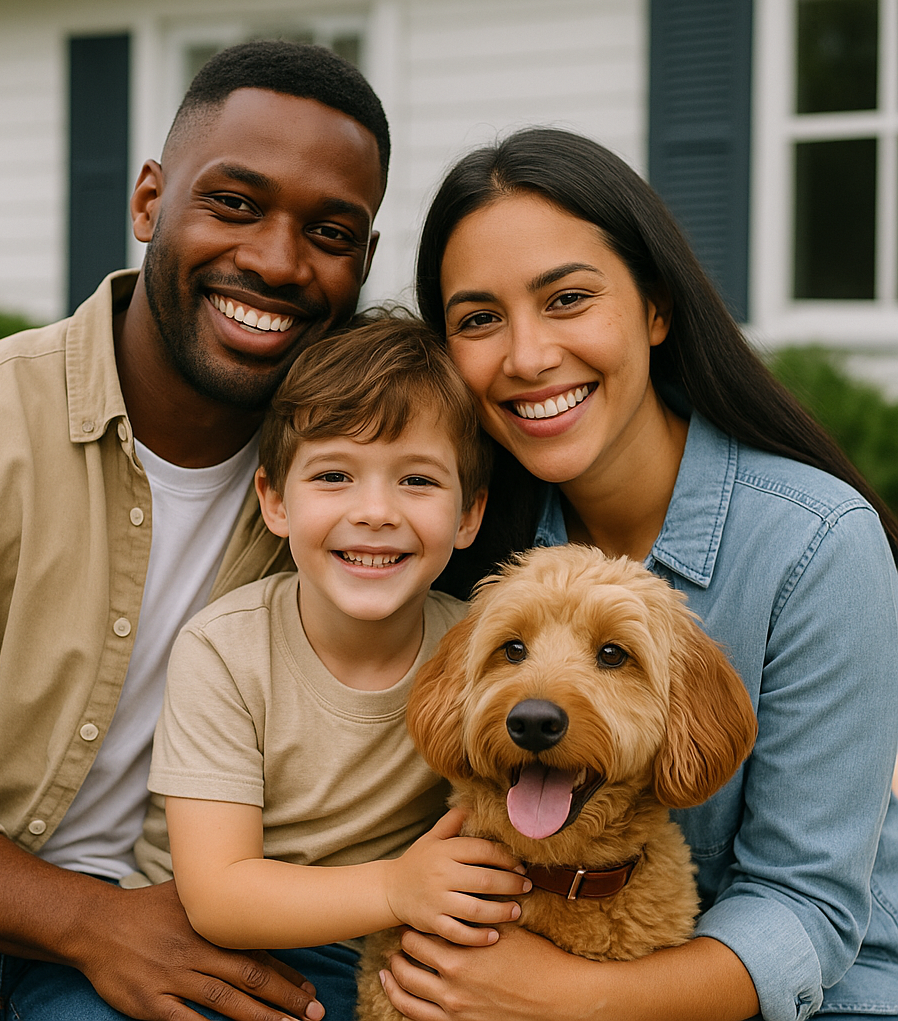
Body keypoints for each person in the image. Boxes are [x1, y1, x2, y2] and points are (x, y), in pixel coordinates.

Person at [0, 40, 390, 1021]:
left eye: (328, 231)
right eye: (233, 203)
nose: (276, 261)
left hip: (199, 921)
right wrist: (91, 921)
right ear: (150, 201)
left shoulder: (368, 491)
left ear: (361, 263)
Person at [377, 128, 898, 1021]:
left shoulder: (819, 544)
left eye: (568, 299)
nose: (529, 356)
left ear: (656, 309)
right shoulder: (458, 530)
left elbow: (807, 909)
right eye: (478, 319)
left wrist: (575, 999)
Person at [146, 315, 527, 1020]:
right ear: (276, 501)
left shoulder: (478, 650)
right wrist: (396, 888)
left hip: (383, 952)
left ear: (470, 514)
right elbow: (218, 894)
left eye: (417, 479)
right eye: (333, 476)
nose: (376, 512)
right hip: (210, 951)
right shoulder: (225, 650)